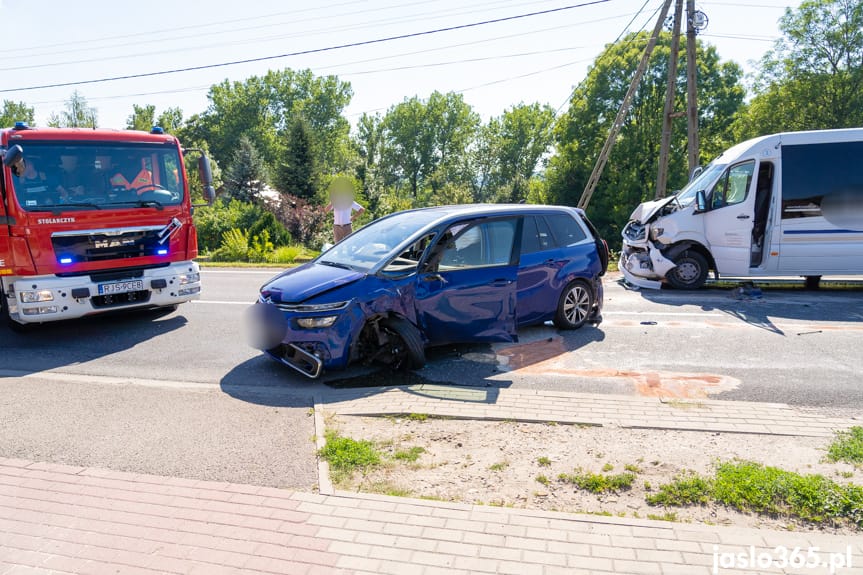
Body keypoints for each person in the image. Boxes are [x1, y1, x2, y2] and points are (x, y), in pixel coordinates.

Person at [326, 177, 365, 243]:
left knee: (348, 245)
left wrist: (353, 217)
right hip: (337, 227)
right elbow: (326, 211)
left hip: (347, 227)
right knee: (338, 246)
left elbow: (362, 209)